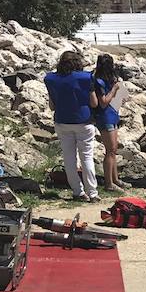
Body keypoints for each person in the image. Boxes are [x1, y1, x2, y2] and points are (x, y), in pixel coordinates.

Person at [44, 51, 100, 202]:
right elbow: (94, 103)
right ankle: (93, 193)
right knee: (86, 157)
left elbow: (52, 106)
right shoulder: (86, 78)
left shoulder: (51, 79)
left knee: (69, 158)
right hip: (83, 120)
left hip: (62, 121)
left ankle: (78, 192)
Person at [92, 54, 123, 193]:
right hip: (105, 117)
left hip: (113, 115)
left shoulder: (107, 80)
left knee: (113, 150)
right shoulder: (99, 82)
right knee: (110, 151)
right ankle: (109, 183)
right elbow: (103, 102)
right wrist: (114, 90)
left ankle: (115, 179)